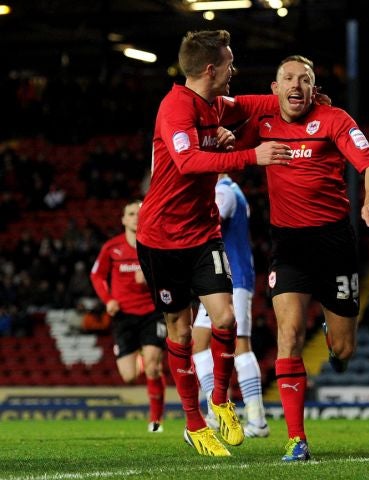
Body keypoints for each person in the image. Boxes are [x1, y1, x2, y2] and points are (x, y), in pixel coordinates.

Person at [135, 29, 291, 457]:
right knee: (181, 330)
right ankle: (193, 423)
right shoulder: (175, 108)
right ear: (210, 69)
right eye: (229, 63)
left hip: (203, 234)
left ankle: (219, 400)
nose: (234, 70)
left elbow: (253, 104)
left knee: (224, 321)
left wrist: (303, 101)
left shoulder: (214, 105)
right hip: (162, 237)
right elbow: (187, 163)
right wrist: (249, 155)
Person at [227, 55, 369, 461]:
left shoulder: (334, 119)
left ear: (314, 89)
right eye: (288, 79)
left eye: (305, 80)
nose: (296, 86)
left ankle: (337, 350)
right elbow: (225, 143)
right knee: (290, 332)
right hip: (289, 246)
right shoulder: (261, 124)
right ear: (275, 88)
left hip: (334, 244)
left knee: (344, 347)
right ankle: (297, 439)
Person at [192, 173, 269, 439]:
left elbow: (209, 222)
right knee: (199, 342)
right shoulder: (232, 189)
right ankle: (217, 409)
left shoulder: (223, 191)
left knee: (241, 345)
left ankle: (257, 419)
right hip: (225, 278)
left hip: (233, 278)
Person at [89, 200, 166, 434]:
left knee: (154, 367)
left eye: (140, 213)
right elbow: (97, 276)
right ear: (123, 219)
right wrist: (108, 300)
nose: (136, 217)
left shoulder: (156, 245)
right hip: (123, 316)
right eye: (131, 214)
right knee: (129, 376)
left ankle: (156, 421)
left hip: (153, 313)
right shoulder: (112, 248)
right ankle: (141, 358)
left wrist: (152, 276)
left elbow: (174, 274)